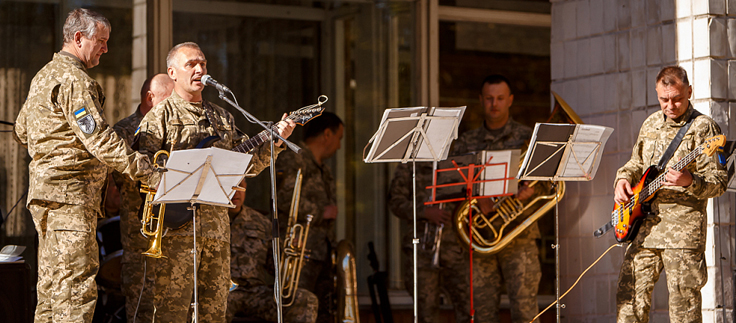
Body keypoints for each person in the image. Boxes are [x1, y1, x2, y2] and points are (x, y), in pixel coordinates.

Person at [136, 42, 296, 322]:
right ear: (172, 72)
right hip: (176, 232)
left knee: (214, 313)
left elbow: (249, 166)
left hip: (217, 231)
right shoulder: (159, 116)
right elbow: (141, 168)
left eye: (203, 64)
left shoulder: (222, 116)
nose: (200, 69)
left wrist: (277, 141)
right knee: (171, 313)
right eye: (191, 65)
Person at [12, 8, 152, 323]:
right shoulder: (75, 79)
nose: (105, 48)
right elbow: (99, 140)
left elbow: (22, 130)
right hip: (71, 202)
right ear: (78, 38)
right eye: (100, 41)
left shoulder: (43, 76)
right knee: (74, 297)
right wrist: (151, 172)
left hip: (48, 202)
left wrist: (52, 150)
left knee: (51, 296)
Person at [613, 66, 727, 322]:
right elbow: (635, 164)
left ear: (689, 92)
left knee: (684, 312)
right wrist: (622, 179)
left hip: (683, 235)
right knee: (628, 302)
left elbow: (719, 182)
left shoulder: (704, 128)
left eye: (677, 98)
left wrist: (689, 181)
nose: (671, 105)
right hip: (645, 229)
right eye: (664, 99)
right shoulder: (650, 123)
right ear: (657, 94)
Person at [450, 74, 543, 323]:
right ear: (480, 100)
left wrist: (529, 192)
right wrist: (474, 196)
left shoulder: (529, 138)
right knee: (481, 315)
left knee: (525, 312)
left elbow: (545, 184)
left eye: (500, 98)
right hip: (480, 238)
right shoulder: (466, 143)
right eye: (489, 98)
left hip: (520, 234)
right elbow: (451, 187)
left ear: (510, 100)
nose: (495, 104)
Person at [111, 73, 173, 323]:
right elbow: (124, 179)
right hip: (140, 232)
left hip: (175, 229)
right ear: (150, 97)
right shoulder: (125, 130)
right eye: (169, 101)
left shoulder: (174, 126)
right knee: (141, 304)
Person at [275, 112, 343, 323]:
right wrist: (319, 211)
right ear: (327, 134)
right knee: (298, 308)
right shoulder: (295, 157)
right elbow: (282, 198)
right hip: (299, 253)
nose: (339, 146)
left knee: (323, 312)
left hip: (321, 251)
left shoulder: (324, 169)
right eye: (339, 138)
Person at [387, 163, 471, 323]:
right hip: (423, 250)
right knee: (426, 313)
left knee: (467, 309)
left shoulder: (459, 158)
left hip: (457, 249)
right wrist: (424, 212)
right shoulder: (410, 164)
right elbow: (395, 201)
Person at [227, 179, 318, 323]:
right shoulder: (211, 221)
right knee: (210, 307)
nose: (236, 192)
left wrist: (292, 254)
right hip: (223, 293)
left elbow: (276, 266)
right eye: (231, 186)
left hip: (255, 293)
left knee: (306, 299)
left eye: (241, 186)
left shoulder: (261, 222)